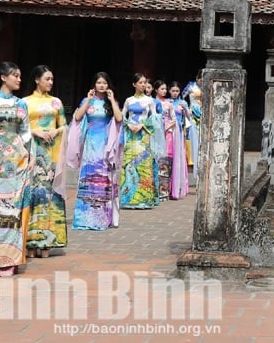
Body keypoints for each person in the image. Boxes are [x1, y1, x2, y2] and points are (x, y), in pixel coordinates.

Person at [0, 62, 32, 276]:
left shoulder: (21, 104)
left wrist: (30, 156)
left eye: (20, 75)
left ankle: (10, 260)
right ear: (3, 77)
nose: (19, 79)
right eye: (15, 75)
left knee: (12, 210)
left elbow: (26, 133)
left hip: (17, 162)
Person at [68, 72, 122, 230]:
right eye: (99, 83)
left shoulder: (110, 102)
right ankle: (84, 218)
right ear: (94, 85)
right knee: (88, 178)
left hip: (104, 145)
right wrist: (89, 99)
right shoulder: (87, 101)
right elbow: (77, 117)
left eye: (105, 83)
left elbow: (119, 119)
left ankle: (101, 218)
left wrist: (112, 100)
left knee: (102, 179)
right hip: (90, 145)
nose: (102, 86)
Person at [24, 65, 68, 257]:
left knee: (49, 195)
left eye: (52, 79)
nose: (50, 82)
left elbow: (65, 126)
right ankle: (30, 241)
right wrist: (34, 131)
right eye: (47, 79)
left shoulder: (56, 102)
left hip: (50, 154)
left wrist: (54, 131)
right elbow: (19, 128)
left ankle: (48, 241)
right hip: (32, 152)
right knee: (32, 193)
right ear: (36, 79)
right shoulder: (24, 102)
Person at [119, 73, 163, 209]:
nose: (143, 85)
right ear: (134, 84)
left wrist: (143, 125)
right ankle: (128, 198)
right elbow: (122, 115)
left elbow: (156, 118)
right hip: (131, 135)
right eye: (140, 82)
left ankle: (144, 198)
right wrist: (128, 125)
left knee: (144, 165)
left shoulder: (150, 101)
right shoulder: (128, 100)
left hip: (143, 135)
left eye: (144, 82)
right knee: (128, 164)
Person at [168, 81, 191, 199]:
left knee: (179, 158)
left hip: (179, 132)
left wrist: (185, 110)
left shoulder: (183, 102)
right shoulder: (167, 102)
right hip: (169, 132)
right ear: (169, 91)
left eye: (177, 91)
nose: (175, 93)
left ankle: (179, 186)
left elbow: (189, 117)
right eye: (173, 91)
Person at [182, 78, 202, 182]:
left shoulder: (206, 85)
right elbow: (182, 96)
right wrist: (186, 108)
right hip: (192, 114)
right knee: (191, 137)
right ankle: (191, 160)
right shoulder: (191, 86)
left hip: (202, 113)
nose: (202, 81)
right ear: (197, 78)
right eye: (200, 79)